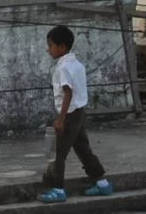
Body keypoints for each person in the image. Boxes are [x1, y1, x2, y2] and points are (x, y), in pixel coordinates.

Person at [38, 25, 113, 203]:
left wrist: (61, 120)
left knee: (59, 153)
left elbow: (68, 93)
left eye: (51, 45)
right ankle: (103, 184)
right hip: (79, 112)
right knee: (83, 149)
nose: (48, 49)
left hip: (70, 114)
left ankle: (58, 189)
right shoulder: (77, 65)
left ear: (62, 47)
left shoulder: (63, 68)